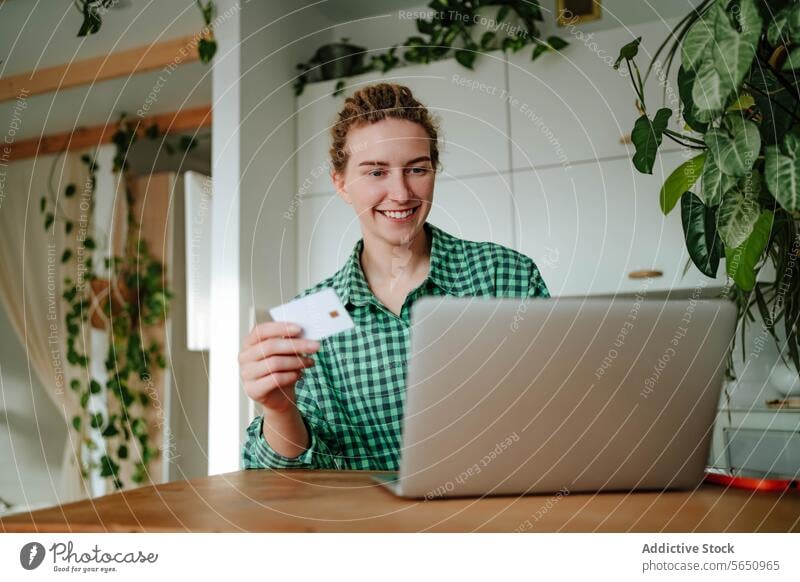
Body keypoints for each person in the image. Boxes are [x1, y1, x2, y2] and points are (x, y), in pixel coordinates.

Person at [239, 82, 550, 471]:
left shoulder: (505, 276)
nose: (400, 193)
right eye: (376, 172)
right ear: (341, 184)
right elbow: (282, 477)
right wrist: (279, 408)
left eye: (416, 169)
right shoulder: (311, 316)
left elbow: (557, 416)